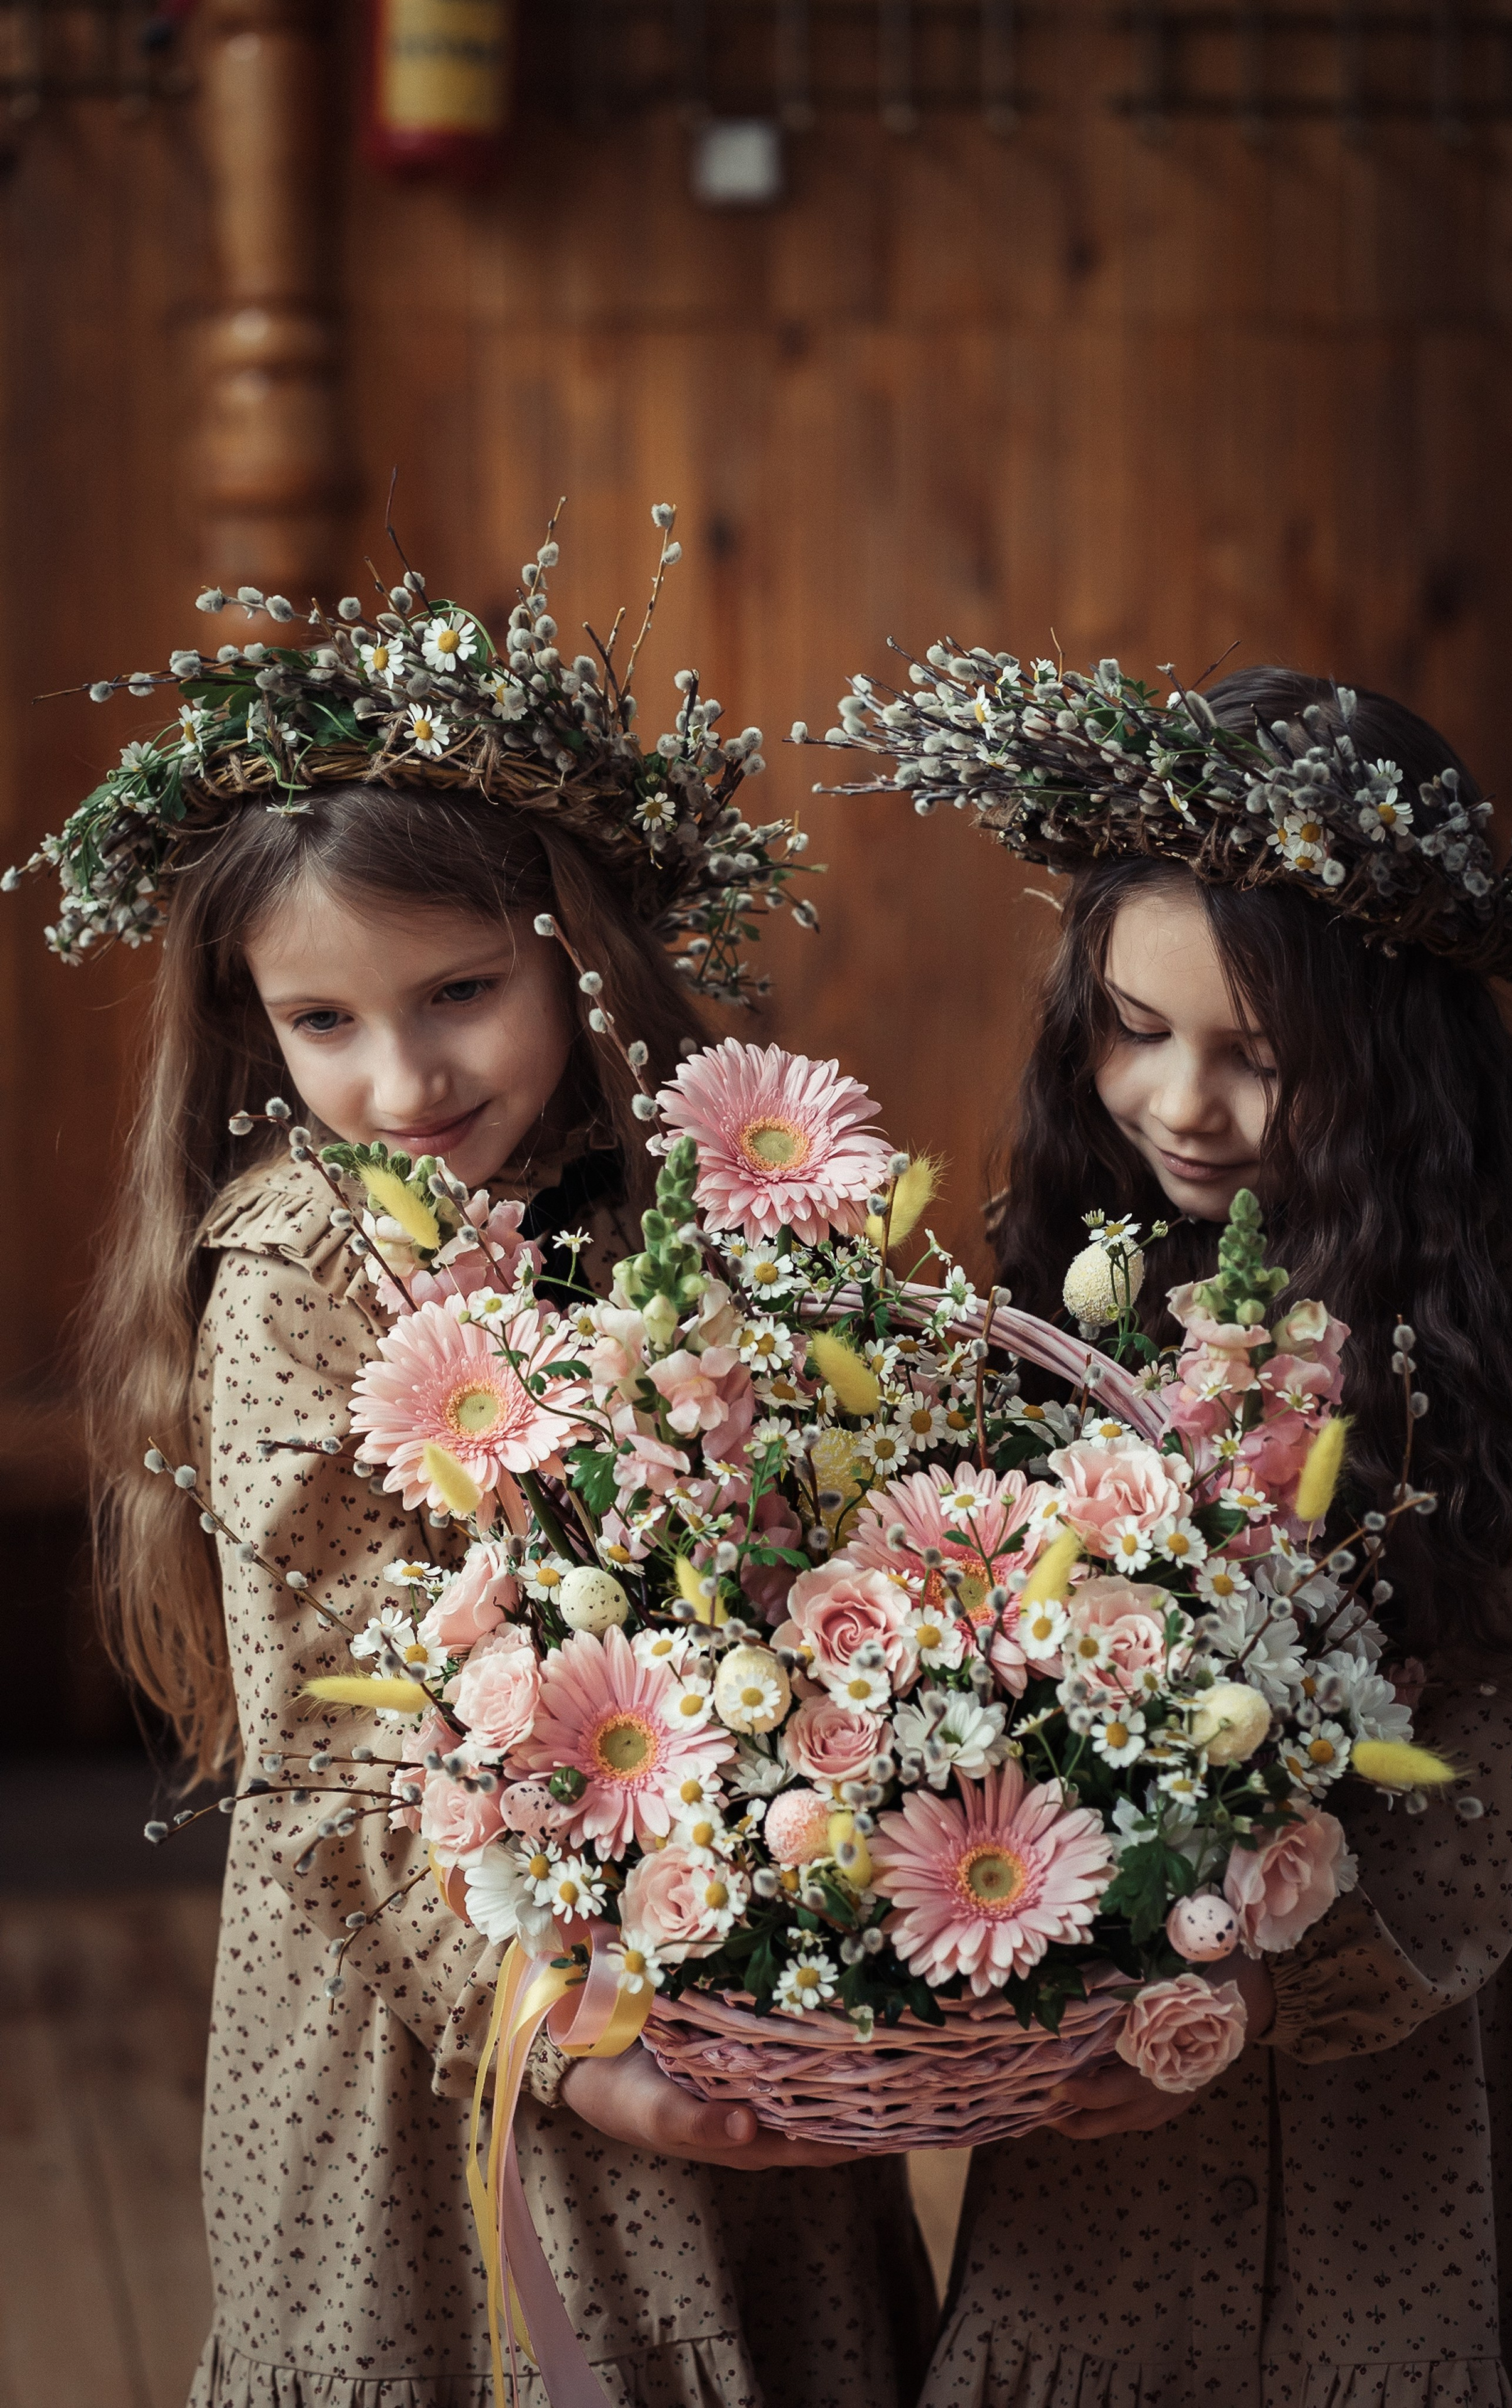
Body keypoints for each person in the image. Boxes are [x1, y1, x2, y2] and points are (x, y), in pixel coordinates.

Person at [18, 533, 932, 2408]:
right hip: (439, 1988)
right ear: (251, 1030)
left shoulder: (710, 1202)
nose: (403, 1081)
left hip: (710, 1922)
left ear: (577, 959)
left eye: (458, 993)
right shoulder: (298, 1264)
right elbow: (340, 1739)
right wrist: (555, 2037)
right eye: (323, 1024)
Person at [829, 658, 1512, 2407]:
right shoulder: (1112, 1236)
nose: (1182, 1106)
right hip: (1143, 2020)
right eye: (1132, 1026)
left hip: (1434, 1984)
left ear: (1398, 1044)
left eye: (1259, 1057)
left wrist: (1304, 1974)